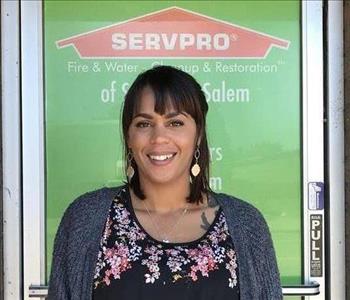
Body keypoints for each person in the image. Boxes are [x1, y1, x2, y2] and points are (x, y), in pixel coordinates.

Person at [47, 65, 282, 300]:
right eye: (144, 124)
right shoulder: (85, 219)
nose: (158, 137)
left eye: (175, 123)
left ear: (198, 134)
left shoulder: (246, 225)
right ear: (129, 136)